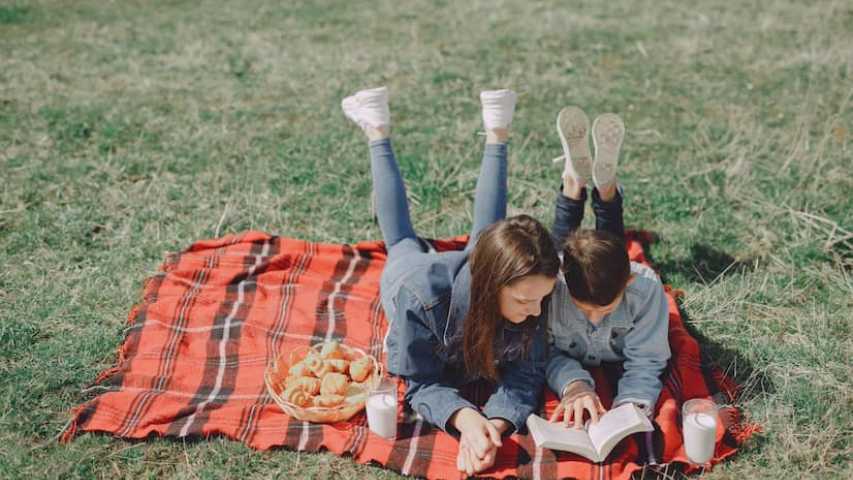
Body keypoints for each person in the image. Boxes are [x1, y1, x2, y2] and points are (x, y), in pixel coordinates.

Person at [341, 86, 560, 475]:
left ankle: (497, 133)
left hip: (478, 268)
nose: (537, 311)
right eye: (526, 302)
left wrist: (493, 425)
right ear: (492, 285)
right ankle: (377, 129)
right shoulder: (418, 297)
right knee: (402, 241)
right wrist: (463, 417)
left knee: (488, 236)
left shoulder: (532, 291)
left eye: (541, 299)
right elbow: (420, 384)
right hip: (414, 275)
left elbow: (528, 370)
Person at [545, 106, 672, 428]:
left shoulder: (643, 291)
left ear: (627, 282)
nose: (595, 319)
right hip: (565, 264)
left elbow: (647, 361)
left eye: (607, 308)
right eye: (583, 308)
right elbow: (540, 350)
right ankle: (588, 183)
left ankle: (582, 183)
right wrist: (574, 383)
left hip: (608, 268)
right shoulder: (550, 284)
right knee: (566, 245)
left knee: (606, 244)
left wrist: (631, 407)